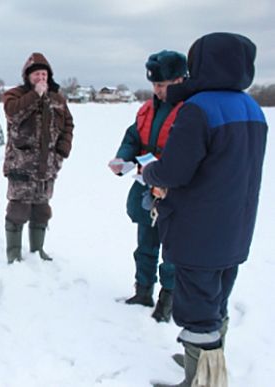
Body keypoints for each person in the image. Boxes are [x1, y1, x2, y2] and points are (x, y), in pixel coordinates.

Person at [142, 33, 268, 387]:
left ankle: (203, 379)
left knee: (197, 311)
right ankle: (207, 361)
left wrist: (150, 171)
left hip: (200, 230)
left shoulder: (200, 108)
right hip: (236, 227)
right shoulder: (252, 108)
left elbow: (174, 172)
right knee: (216, 301)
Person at [108, 50, 187, 323]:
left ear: (179, 80)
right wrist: (123, 157)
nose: (157, 90)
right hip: (146, 188)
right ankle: (143, 291)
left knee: (173, 251)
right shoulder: (147, 109)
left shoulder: (191, 110)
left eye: (162, 85)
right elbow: (133, 136)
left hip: (175, 193)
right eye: (154, 85)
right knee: (145, 244)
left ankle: (167, 302)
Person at [3, 52, 74, 264]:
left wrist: (62, 150)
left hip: (48, 166)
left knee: (42, 210)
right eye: (36, 75)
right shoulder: (14, 95)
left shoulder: (58, 99)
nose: (41, 78)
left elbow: (68, 124)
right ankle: (13, 254)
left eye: (44, 74)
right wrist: (35, 95)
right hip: (21, 165)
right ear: (28, 76)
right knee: (18, 210)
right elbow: (13, 114)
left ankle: (37, 250)